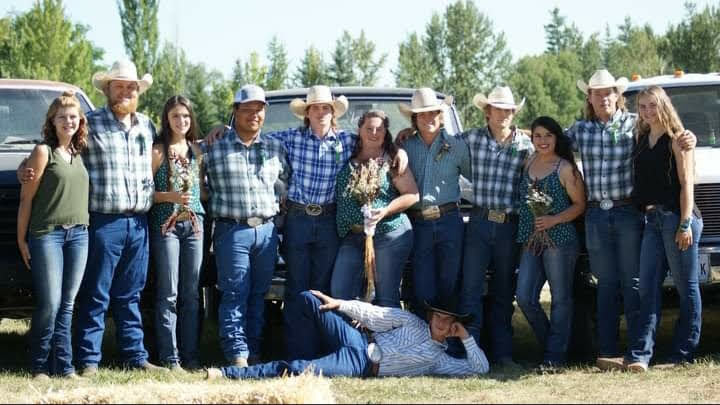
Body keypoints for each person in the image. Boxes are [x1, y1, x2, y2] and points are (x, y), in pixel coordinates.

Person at [566, 69, 695, 370]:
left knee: (633, 283)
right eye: (597, 93)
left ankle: (638, 351)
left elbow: (668, 129)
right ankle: (609, 351)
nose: (604, 98)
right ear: (590, 98)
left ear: (618, 96)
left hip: (628, 213)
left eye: (609, 92)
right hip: (596, 213)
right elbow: (548, 144)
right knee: (606, 284)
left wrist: (689, 135)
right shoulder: (579, 129)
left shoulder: (635, 124)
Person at [74, 60, 163, 375]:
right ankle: (88, 361)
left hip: (139, 222)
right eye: (119, 86)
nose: (125, 91)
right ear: (108, 89)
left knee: (131, 293)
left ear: (138, 91)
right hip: (103, 221)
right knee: (96, 292)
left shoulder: (147, 126)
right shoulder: (89, 123)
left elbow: (179, 141)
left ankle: (135, 357)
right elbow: (58, 146)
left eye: (131, 87)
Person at [205, 290, 489, 380]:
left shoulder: (439, 361)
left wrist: (465, 337)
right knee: (308, 299)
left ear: (453, 326)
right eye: (437, 315)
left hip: (363, 365)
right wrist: (340, 305)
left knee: (298, 370)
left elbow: (480, 368)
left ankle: (229, 374)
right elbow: (374, 314)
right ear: (430, 315)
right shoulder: (411, 321)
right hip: (358, 340)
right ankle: (303, 359)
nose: (440, 321)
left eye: (447, 319)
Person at [202, 85, 289, 367]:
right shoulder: (213, 147)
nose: (254, 114)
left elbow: (286, 182)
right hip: (232, 230)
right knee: (234, 292)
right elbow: (187, 162)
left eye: (259, 109)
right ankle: (236, 353)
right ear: (235, 111)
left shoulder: (276, 147)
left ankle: (253, 350)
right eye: (247, 109)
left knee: (258, 294)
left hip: (266, 231)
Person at [626, 86, 703, 372]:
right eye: (642, 106)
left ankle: (683, 354)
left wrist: (685, 224)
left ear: (663, 106)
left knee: (686, 287)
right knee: (646, 287)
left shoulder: (677, 139)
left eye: (652, 105)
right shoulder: (641, 137)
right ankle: (640, 355)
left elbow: (687, 185)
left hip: (677, 220)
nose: (647, 111)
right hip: (653, 221)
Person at [457, 86, 534, 366]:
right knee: (471, 288)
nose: (504, 114)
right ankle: (471, 352)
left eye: (509, 110)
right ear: (487, 112)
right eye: (499, 109)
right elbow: (438, 142)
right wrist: (406, 137)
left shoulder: (526, 146)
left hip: (508, 226)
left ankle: (502, 354)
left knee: (504, 290)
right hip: (478, 221)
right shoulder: (470, 139)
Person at [16, 92, 89, 380]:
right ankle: (39, 366)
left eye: (73, 116)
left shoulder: (80, 151)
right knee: (51, 303)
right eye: (62, 117)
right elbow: (26, 200)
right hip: (48, 235)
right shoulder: (43, 152)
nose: (68, 121)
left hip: (80, 235)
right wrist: (21, 239)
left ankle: (65, 366)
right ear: (52, 121)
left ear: (79, 120)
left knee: (69, 304)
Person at [514, 116, 586, 369]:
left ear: (557, 138)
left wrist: (554, 219)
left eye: (548, 135)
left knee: (561, 299)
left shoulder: (565, 168)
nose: (543, 141)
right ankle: (552, 346)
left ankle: (554, 357)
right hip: (532, 241)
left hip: (560, 240)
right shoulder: (528, 162)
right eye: (537, 136)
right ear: (531, 138)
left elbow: (580, 205)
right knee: (524, 296)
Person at [331, 110, 418, 307]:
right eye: (369, 128)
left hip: (389, 235)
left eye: (380, 129)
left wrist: (385, 211)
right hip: (352, 237)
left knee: (385, 298)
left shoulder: (393, 158)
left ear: (386, 132)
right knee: (340, 293)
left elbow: (412, 195)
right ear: (359, 130)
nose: (374, 132)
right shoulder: (345, 152)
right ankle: (355, 338)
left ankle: (390, 338)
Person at [398, 88, 471, 320]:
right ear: (414, 119)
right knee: (422, 287)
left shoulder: (457, 146)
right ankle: (422, 341)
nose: (428, 119)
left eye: (433, 113)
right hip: (418, 223)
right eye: (422, 114)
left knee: (450, 283)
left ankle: (450, 342)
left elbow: (474, 177)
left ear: (440, 116)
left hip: (450, 220)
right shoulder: (405, 146)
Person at [149, 95, 207, 371]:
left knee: (191, 293)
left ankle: (191, 355)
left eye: (185, 116)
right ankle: (170, 357)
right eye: (175, 116)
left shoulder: (196, 150)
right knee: (168, 292)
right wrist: (168, 195)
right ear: (167, 119)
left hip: (194, 226)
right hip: (166, 226)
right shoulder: (158, 151)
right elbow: (144, 193)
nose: (181, 121)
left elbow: (202, 190)